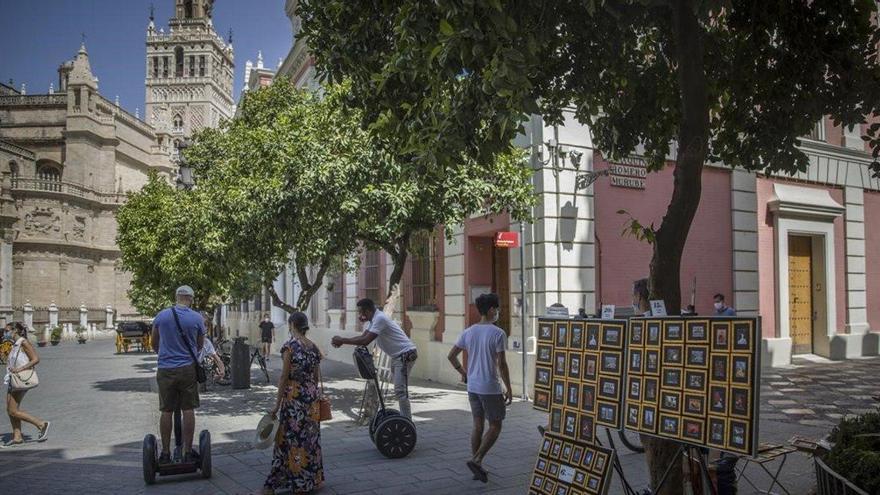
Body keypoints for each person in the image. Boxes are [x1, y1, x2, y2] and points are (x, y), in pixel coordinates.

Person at [447, 293, 512, 483]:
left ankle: (477, 466)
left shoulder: (468, 332)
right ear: (491, 310)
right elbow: (502, 364)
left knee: (477, 425)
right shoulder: (498, 333)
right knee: (495, 425)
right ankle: (476, 460)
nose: (499, 311)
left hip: (473, 386)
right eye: (497, 308)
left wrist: (464, 373)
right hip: (489, 387)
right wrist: (508, 387)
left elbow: (451, 356)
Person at [264, 312, 324, 494]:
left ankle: (281, 482)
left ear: (291, 325)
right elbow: (315, 376)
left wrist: (276, 404)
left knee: (288, 439)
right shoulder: (313, 347)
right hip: (311, 398)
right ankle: (310, 480)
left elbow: (284, 377)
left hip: (294, 398)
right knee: (310, 439)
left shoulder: (289, 347)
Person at [331, 298, 418, 419]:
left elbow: (365, 341)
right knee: (399, 389)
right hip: (398, 356)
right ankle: (404, 419)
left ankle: (407, 422)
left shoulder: (379, 318)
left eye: (361, 312)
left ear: (367, 311)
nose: (360, 315)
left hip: (405, 354)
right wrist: (343, 340)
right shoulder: (373, 320)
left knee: (400, 391)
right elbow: (363, 337)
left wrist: (342, 340)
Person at [151, 285, 205, 463]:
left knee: (166, 410)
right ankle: (188, 452)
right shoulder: (197, 318)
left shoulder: (161, 316)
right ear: (190, 299)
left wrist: (165, 354)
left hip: (166, 368)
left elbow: (154, 343)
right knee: (188, 409)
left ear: (176, 297)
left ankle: (165, 453)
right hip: (187, 368)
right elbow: (199, 345)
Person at [3, 323, 49, 447]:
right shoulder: (14, 344)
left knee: (13, 411)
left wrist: (20, 369)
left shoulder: (23, 342)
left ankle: (41, 424)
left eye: (7, 330)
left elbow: (35, 359)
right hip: (13, 379)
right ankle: (17, 437)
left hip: (20, 379)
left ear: (15, 331)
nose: (5, 333)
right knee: (10, 410)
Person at [198, 313, 225, 383]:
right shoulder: (188, 339)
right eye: (203, 325)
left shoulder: (207, 343)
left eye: (207, 325)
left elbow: (217, 359)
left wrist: (222, 372)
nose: (206, 328)